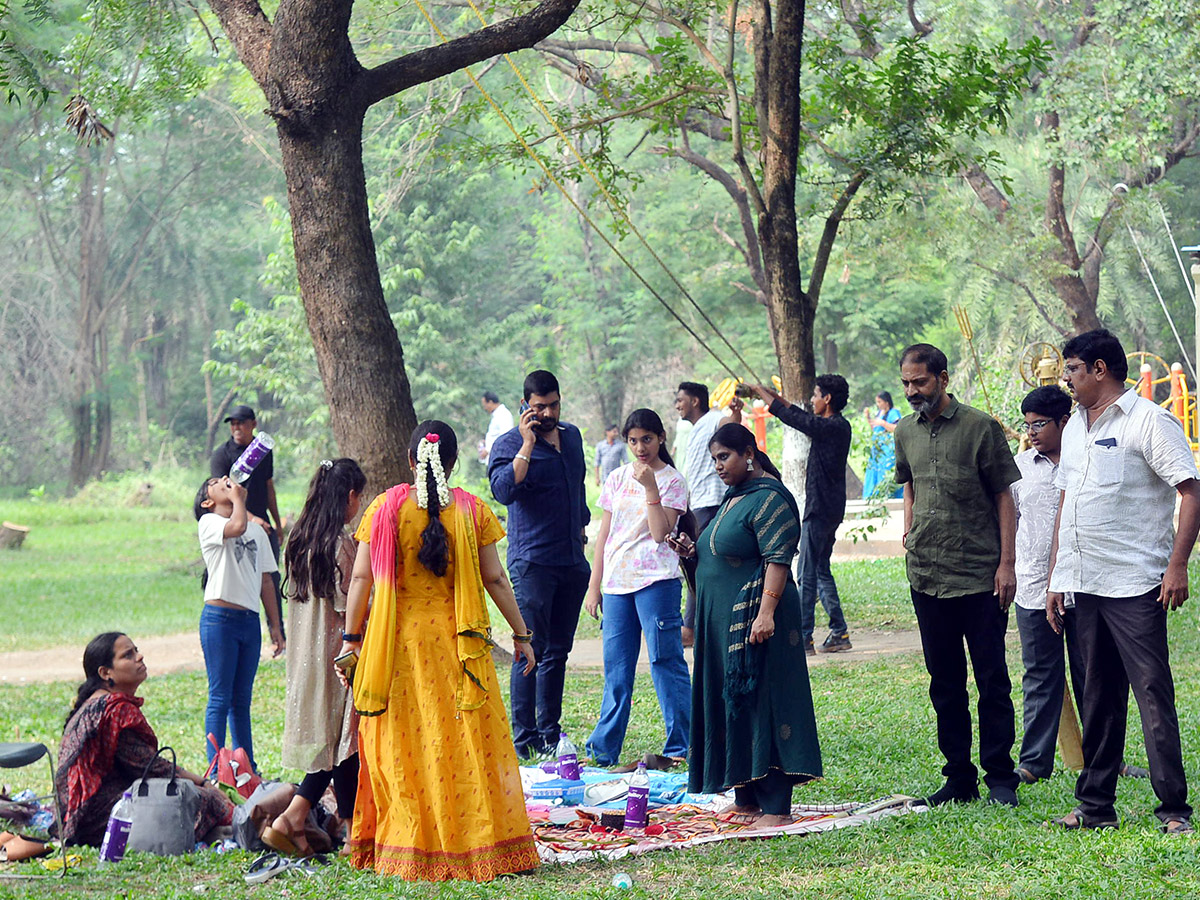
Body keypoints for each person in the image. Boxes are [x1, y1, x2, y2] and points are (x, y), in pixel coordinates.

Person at [340, 422, 539, 880]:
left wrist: (352, 642)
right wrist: (521, 634)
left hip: (398, 647)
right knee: (463, 741)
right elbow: (495, 580)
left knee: (406, 743)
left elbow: (361, 581)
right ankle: (476, 844)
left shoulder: (385, 509)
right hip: (458, 647)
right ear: (450, 464)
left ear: (412, 461)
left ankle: (410, 844)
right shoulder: (470, 510)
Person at [1047, 329, 1200, 834]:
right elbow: (1066, 505)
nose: (1064, 378)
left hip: (1136, 583)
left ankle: (1174, 809)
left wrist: (1177, 566)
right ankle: (1095, 808)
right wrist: (1055, 578)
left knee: (1152, 692)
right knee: (1097, 697)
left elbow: (1191, 493)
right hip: (1084, 583)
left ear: (1098, 370)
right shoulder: (1073, 429)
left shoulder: (1150, 422)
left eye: (1071, 368)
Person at [669, 424, 822, 827]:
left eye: (725, 457)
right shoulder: (734, 497)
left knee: (765, 702)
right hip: (723, 627)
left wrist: (766, 613)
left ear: (749, 453)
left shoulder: (771, 498)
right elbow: (718, 556)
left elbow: (777, 558)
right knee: (733, 703)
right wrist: (690, 552)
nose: (719, 466)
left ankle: (775, 807)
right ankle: (746, 796)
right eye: (714, 459)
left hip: (760, 620)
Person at [893, 343, 1021, 808]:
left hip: (980, 575)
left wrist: (1006, 565)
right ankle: (959, 777)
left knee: (992, 679)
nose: (912, 391)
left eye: (920, 382)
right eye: (906, 383)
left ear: (943, 379)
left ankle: (1001, 778)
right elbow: (908, 482)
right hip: (927, 573)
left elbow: (1005, 498)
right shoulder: (904, 430)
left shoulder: (980, 427)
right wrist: (908, 529)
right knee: (944, 681)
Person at [1011, 386, 1151, 785]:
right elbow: (1009, 524)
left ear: (1063, 422)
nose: (1033, 431)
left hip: (1087, 587)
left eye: (1040, 424)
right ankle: (1033, 763)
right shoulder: (1019, 470)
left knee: (1094, 675)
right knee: (1039, 676)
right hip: (1035, 588)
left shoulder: (1088, 462)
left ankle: (1105, 760)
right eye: (1028, 425)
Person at [265, 458, 366, 856]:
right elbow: (349, 607)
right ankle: (351, 831)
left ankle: (295, 818)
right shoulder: (340, 545)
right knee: (345, 742)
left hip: (305, 655)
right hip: (335, 654)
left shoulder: (299, 540)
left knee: (333, 741)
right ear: (350, 497)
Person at [488, 370, 591, 758]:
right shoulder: (510, 443)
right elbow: (504, 491)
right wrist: (528, 444)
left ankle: (550, 732)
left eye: (553, 405)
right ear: (524, 406)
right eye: (539, 407)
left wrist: (580, 530)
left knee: (558, 651)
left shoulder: (574, 436)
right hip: (532, 561)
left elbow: (577, 486)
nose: (547, 413)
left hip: (570, 560)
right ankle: (525, 737)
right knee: (529, 648)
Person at [55, 633, 234, 847]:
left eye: (136, 650)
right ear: (105, 672)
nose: (139, 657)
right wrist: (205, 783)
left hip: (75, 814)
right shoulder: (115, 710)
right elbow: (150, 767)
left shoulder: (97, 703)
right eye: (128, 655)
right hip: (95, 818)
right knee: (204, 799)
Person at [584, 409, 691, 767]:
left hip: (656, 581)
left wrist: (650, 487)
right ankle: (603, 750)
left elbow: (661, 533)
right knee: (617, 667)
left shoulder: (673, 481)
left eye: (646, 438)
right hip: (616, 583)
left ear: (661, 437)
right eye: (633, 440)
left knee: (665, 660)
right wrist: (594, 585)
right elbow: (605, 536)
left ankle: (682, 745)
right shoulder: (615, 478)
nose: (639, 447)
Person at [751, 375, 853, 655]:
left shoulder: (832, 427)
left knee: (806, 573)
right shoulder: (835, 426)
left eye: (816, 394)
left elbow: (796, 419)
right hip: (828, 508)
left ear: (827, 399)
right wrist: (771, 395)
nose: (812, 400)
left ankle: (804, 636)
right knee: (820, 569)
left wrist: (763, 393)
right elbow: (796, 414)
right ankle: (839, 631)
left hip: (820, 509)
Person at [194, 474, 284, 771]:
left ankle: (248, 768)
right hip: (219, 621)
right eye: (215, 483)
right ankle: (216, 769)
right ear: (208, 502)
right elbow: (237, 526)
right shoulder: (209, 523)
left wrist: (275, 625)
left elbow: (266, 580)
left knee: (241, 701)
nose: (224, 480)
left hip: (249, 621)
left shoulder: (256, 532)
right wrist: (239, 500)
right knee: (220, 696)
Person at [210, 405, 284, 621]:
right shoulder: (221, 455)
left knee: (270, 577)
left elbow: (269, 488)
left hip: (264, 523)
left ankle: (277, 631)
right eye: (233, 423)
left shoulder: (262, 453)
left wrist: (277, 524)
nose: (236, 427)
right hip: (235, 525)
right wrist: (252, 519)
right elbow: (221, 495)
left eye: (241, 422)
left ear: (254, 424)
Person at [675, 381, 726, 646]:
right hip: (698, 504)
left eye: (680, 399)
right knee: (696, 563)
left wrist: (737, 415)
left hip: (711, 502)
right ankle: (693, 626)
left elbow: (730, 424)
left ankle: (691, 628)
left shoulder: (714, 418)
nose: (677, 405)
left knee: (700, 563)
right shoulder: (693, 430)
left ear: (695, 401)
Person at [863, 391, 903, 499]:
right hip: (877, 448)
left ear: (886, 402)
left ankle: (889, 496)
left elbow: (897, 428)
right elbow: (876, 428)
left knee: (885, 470)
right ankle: (874, 496)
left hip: (887, 449)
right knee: (874, 471)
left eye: (879, 402)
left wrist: (883, 423)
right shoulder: (880, 414)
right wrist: (868, 418)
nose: (878, 404)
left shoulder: (893, 413)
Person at [481, 391, 514, 460]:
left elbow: (505, 437)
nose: (485, 408)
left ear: (490, 402)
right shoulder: (496, 415)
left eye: (485, 405)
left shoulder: (503, 415)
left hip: (500, 458)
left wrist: (488, 450)